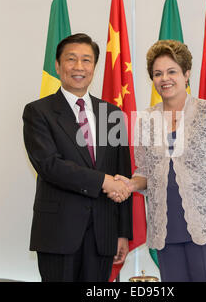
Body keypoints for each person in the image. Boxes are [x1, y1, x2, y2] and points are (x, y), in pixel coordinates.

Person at [115, 40, 206, 282]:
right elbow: (146, 172)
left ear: (186, 74)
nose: (165, 78)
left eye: (172, 71)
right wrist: (130, 185)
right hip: (166, 233)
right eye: (158, 73)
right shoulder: (146, 120)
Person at [23, 33, 133, 282]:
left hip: (103, 235)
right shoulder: (38, 112)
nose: (79, 67)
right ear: (58, 65)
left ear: (94, 66)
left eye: (86, 60)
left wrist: (122, 232)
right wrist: (103, 182)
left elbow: (121, 174)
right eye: (71, 59)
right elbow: (49, 165)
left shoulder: (111, 114)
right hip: (58, 233)